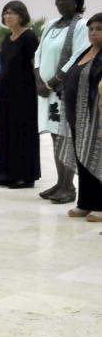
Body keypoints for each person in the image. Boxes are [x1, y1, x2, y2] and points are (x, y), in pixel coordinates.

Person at [35, 0, 89, 204]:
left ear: (76, 2)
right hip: (46, 90)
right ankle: (60, 182)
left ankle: (69, 187)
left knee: (66, 137)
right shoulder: (51, 25)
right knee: (55, 136)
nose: (60, 4)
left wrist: (55, 80)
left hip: (64, 90)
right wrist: (39, 78)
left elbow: (78, 56)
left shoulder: (81, 26)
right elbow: (39, 52)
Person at [0, 1, 41, 188]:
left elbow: (34, 63)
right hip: (6, 92)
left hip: (24, 93)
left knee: (22, 132)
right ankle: (7, 172)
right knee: (6, 131)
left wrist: (39, 86)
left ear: (21, 15)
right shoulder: (7, 38)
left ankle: (25, 175)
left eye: (12, 13)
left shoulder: (29, 37)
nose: (7, 16)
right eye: (5, 13)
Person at [61, 13, 102, 222]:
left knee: (97, 159)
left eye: (99, 29)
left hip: (96, 118)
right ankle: (85, 203)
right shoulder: (86, 51)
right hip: (77, 116)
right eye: (91, 29)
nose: (94, 33)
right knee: (83, 159)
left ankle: (100, 205)